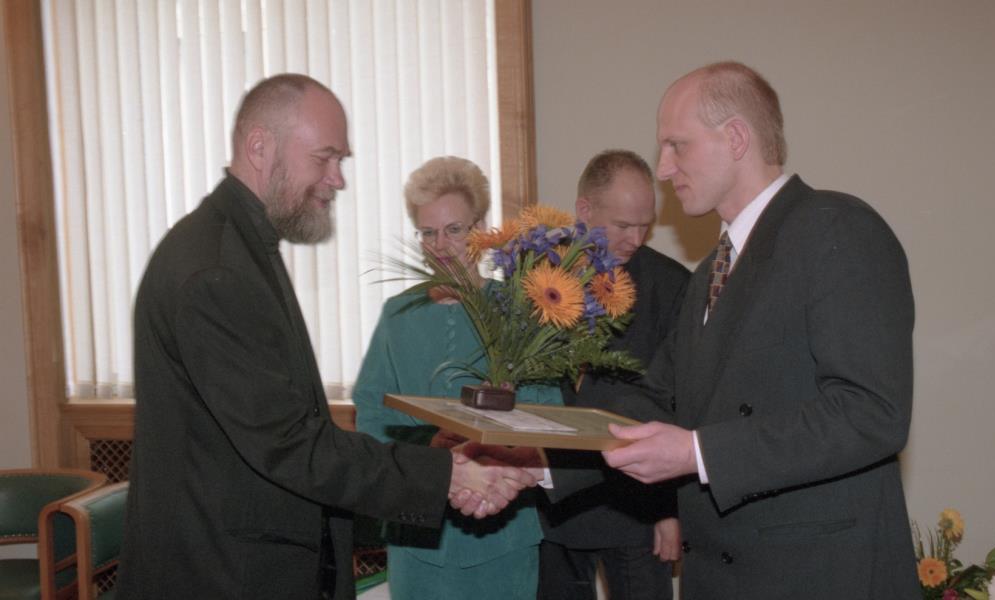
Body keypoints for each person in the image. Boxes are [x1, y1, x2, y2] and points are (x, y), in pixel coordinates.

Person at [118, 74, 537, 600]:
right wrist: (443, 475)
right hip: (220, 573)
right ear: (259, 147)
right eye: (325, 158)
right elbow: (288, 442)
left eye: (341, 160)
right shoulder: (217, 271)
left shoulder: (240, 248)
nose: (337, 179)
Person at [602, 61, 921, 599]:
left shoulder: (836, 228)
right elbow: (657, 399)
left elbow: (872, 412)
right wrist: (536, 456)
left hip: (818, 580)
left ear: (735, 138)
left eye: (677, 145)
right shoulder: (710, 272)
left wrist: (699, 454)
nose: (663, 168)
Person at [353, 155, 563, 600]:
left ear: (480, 229)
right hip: (418, 535)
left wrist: (498, 463)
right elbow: (372, 415)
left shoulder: (518, 310)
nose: (440, 245)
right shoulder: (397, 315)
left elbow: (550, 415)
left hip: (503, 529)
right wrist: (428, 451)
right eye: (427, 232)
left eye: (454, 229)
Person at [537, 150, 690, 600]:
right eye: (623, 225)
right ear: (584, 210)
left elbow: (679, 404)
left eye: (646, 225)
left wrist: (669, 509)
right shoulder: (538, 279)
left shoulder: (671, 285)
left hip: (637, 508)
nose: (636, 239)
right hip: (553, 507)